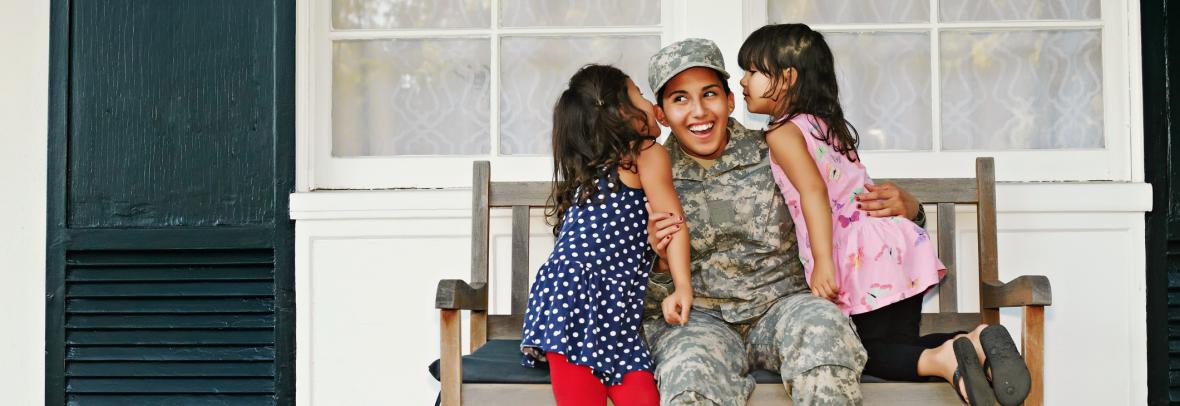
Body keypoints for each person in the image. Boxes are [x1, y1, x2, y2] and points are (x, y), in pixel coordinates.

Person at [734, 24, 1031, 406]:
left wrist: (823, 262)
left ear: (787, 78)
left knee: (860, 351)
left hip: (858, 258)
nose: (743, 80)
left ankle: (945, 358)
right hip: (895, 242)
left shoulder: (782, 134)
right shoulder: (825, 125)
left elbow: (814, 192)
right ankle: (973, 343)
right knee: (896, 345)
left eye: (752, 71)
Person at [639, 37, 883, 406]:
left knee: (825, 331)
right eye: (680, 99)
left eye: (710, 94)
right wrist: (658, 264)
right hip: (700, 320)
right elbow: (632, 297)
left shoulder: (777, 146)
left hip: (783, 307)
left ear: (730, 100)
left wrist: (912, 210)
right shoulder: (649, 174)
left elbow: (844, 198)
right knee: (688, 376)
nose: (699, 112)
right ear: (660, 114)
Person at [519, 64, 695, 406]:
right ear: (620, 112)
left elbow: (664, 227)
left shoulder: (601, 165)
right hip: (575, 302)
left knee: (643, 397)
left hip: (618, 314)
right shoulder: (645, 153)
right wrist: (683, 287)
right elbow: (674, 222)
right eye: (640, 95)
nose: (649, 101)